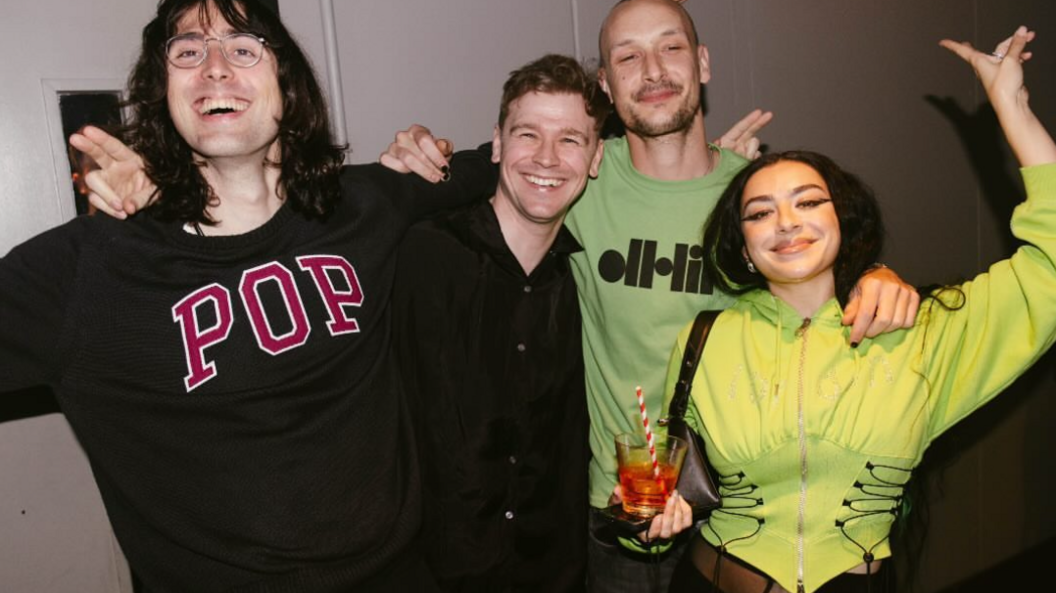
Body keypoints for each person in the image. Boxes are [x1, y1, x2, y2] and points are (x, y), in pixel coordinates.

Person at [378, 1, 921, 589]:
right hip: (619, 511)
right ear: (607, 86)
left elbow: (821, 271)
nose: (654, 70)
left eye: (671, 47)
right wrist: (419, 156)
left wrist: (876, 274)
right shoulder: (578, 171)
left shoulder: (751, 195)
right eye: (628, 56)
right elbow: (505, 170)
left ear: (703, 62)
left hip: (743, 513)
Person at [0, 0, 496, 590]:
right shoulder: (90, 270)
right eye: (187, 51)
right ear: (164, 91)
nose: (214, 67)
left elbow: (516, 162)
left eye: (243, 47)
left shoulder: (362, 205)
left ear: (286, 84)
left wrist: (429, 150)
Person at [662, 26, 1055, 593]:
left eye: (808, 202)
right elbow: (657, 482)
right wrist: (646, 517)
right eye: (760, 213)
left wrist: (1012, 108)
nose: (787, 223)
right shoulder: (704, 338)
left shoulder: (925, 332)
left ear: (842, 223)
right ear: (744, 249)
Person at [392, 54, 611, 592]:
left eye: (570, 140)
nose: (546, 158)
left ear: (596, 157)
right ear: (496, 144)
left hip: (553, 572)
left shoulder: (588, 280)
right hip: (432, 574)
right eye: (528, 134)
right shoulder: (419, 252)